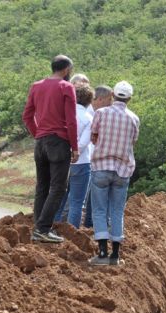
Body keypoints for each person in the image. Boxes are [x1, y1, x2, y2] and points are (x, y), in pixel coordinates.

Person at [22, 54, 78, 243]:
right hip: (59, 142)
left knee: (42, 186)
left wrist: (38, 134)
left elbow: (27, 116)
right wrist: (75, 147)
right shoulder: (66, 86)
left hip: (40, 142)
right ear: (66, 70)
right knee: (58, 188)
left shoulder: (36, 86)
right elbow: (71, 121)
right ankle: (43, 229)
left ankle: (39, 226)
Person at [89, 81, 139, 266]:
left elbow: (93, 136)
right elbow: (133, 142)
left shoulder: (101, 113)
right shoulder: (134, 118)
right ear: (129, 98)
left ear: (113, 95)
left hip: (101, 166)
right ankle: (115, 256)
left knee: (99, 210)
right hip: (123, 169)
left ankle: (102, 253)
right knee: (117, 211)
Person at [54, 85, 94, 228]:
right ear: (90, 101)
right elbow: (83, 144)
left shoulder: (62, 114)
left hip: (61, 160)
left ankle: (54, 229)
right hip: (81, 162)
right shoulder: (89, 118)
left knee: (59, 198)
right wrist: (74, 153)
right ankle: (71, 235)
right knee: (77, 202)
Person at [82, 85, 114, 228]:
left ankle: (90, 223)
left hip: (94, 159)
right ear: (100, 99)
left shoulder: (99, 113)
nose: (111, 103)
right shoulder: (89, 114)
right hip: (86, 159)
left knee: (93, 193)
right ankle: (88, 224)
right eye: (109, 99)